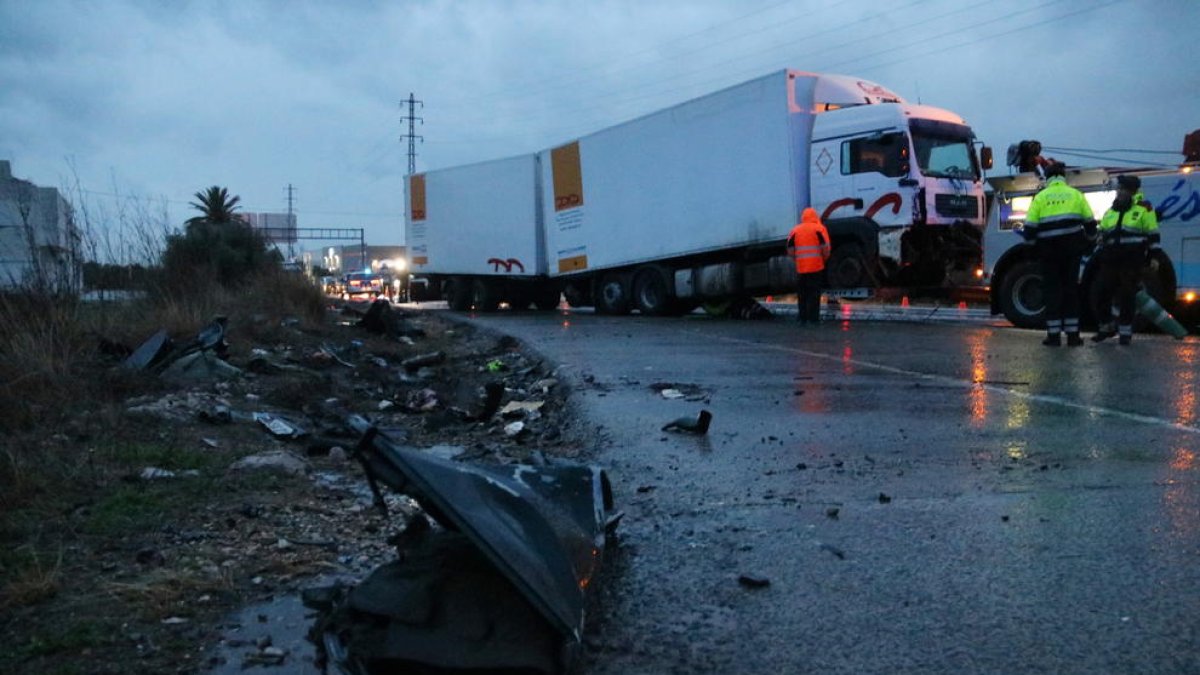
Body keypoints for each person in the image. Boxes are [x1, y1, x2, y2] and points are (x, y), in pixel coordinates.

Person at [1022, 161, 1095, 346]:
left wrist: (1032, 250)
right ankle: (1073, 336)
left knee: (1052, 292)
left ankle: (1053, 336)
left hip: (1049, 255)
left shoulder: (1040, 197)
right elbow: (1090, 224)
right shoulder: (1076, 195)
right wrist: (1089, 243)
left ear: (1047, 177)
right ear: (1063, 176)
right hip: (1072, 253)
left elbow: (1029, 229)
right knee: (1071, 291)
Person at [1092, 174, 1159, 345]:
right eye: (1119, 189)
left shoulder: (1144, 209)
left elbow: (1153, 235)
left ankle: (1125, 333)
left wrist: (1153, 258)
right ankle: (1106, 327)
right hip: (1110, 259)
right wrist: (1100, 237)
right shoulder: (1111, 211)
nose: (1119, 192)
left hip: (1131, 260)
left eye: (1122, 189)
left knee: (1127, 296)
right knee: (1101, 292)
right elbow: (1103, 230)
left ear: (1131, 191)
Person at [786, 207, 832, 325]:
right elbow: (825, 248)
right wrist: (823, 260)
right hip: (816, 267)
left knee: (802, 294)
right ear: (814, 216)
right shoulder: (819, 229)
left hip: (802, 268)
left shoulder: (795, 230)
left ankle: (802, 318)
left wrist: (798, 259)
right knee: (814, 294)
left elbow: (790, 249)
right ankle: (813, 319)